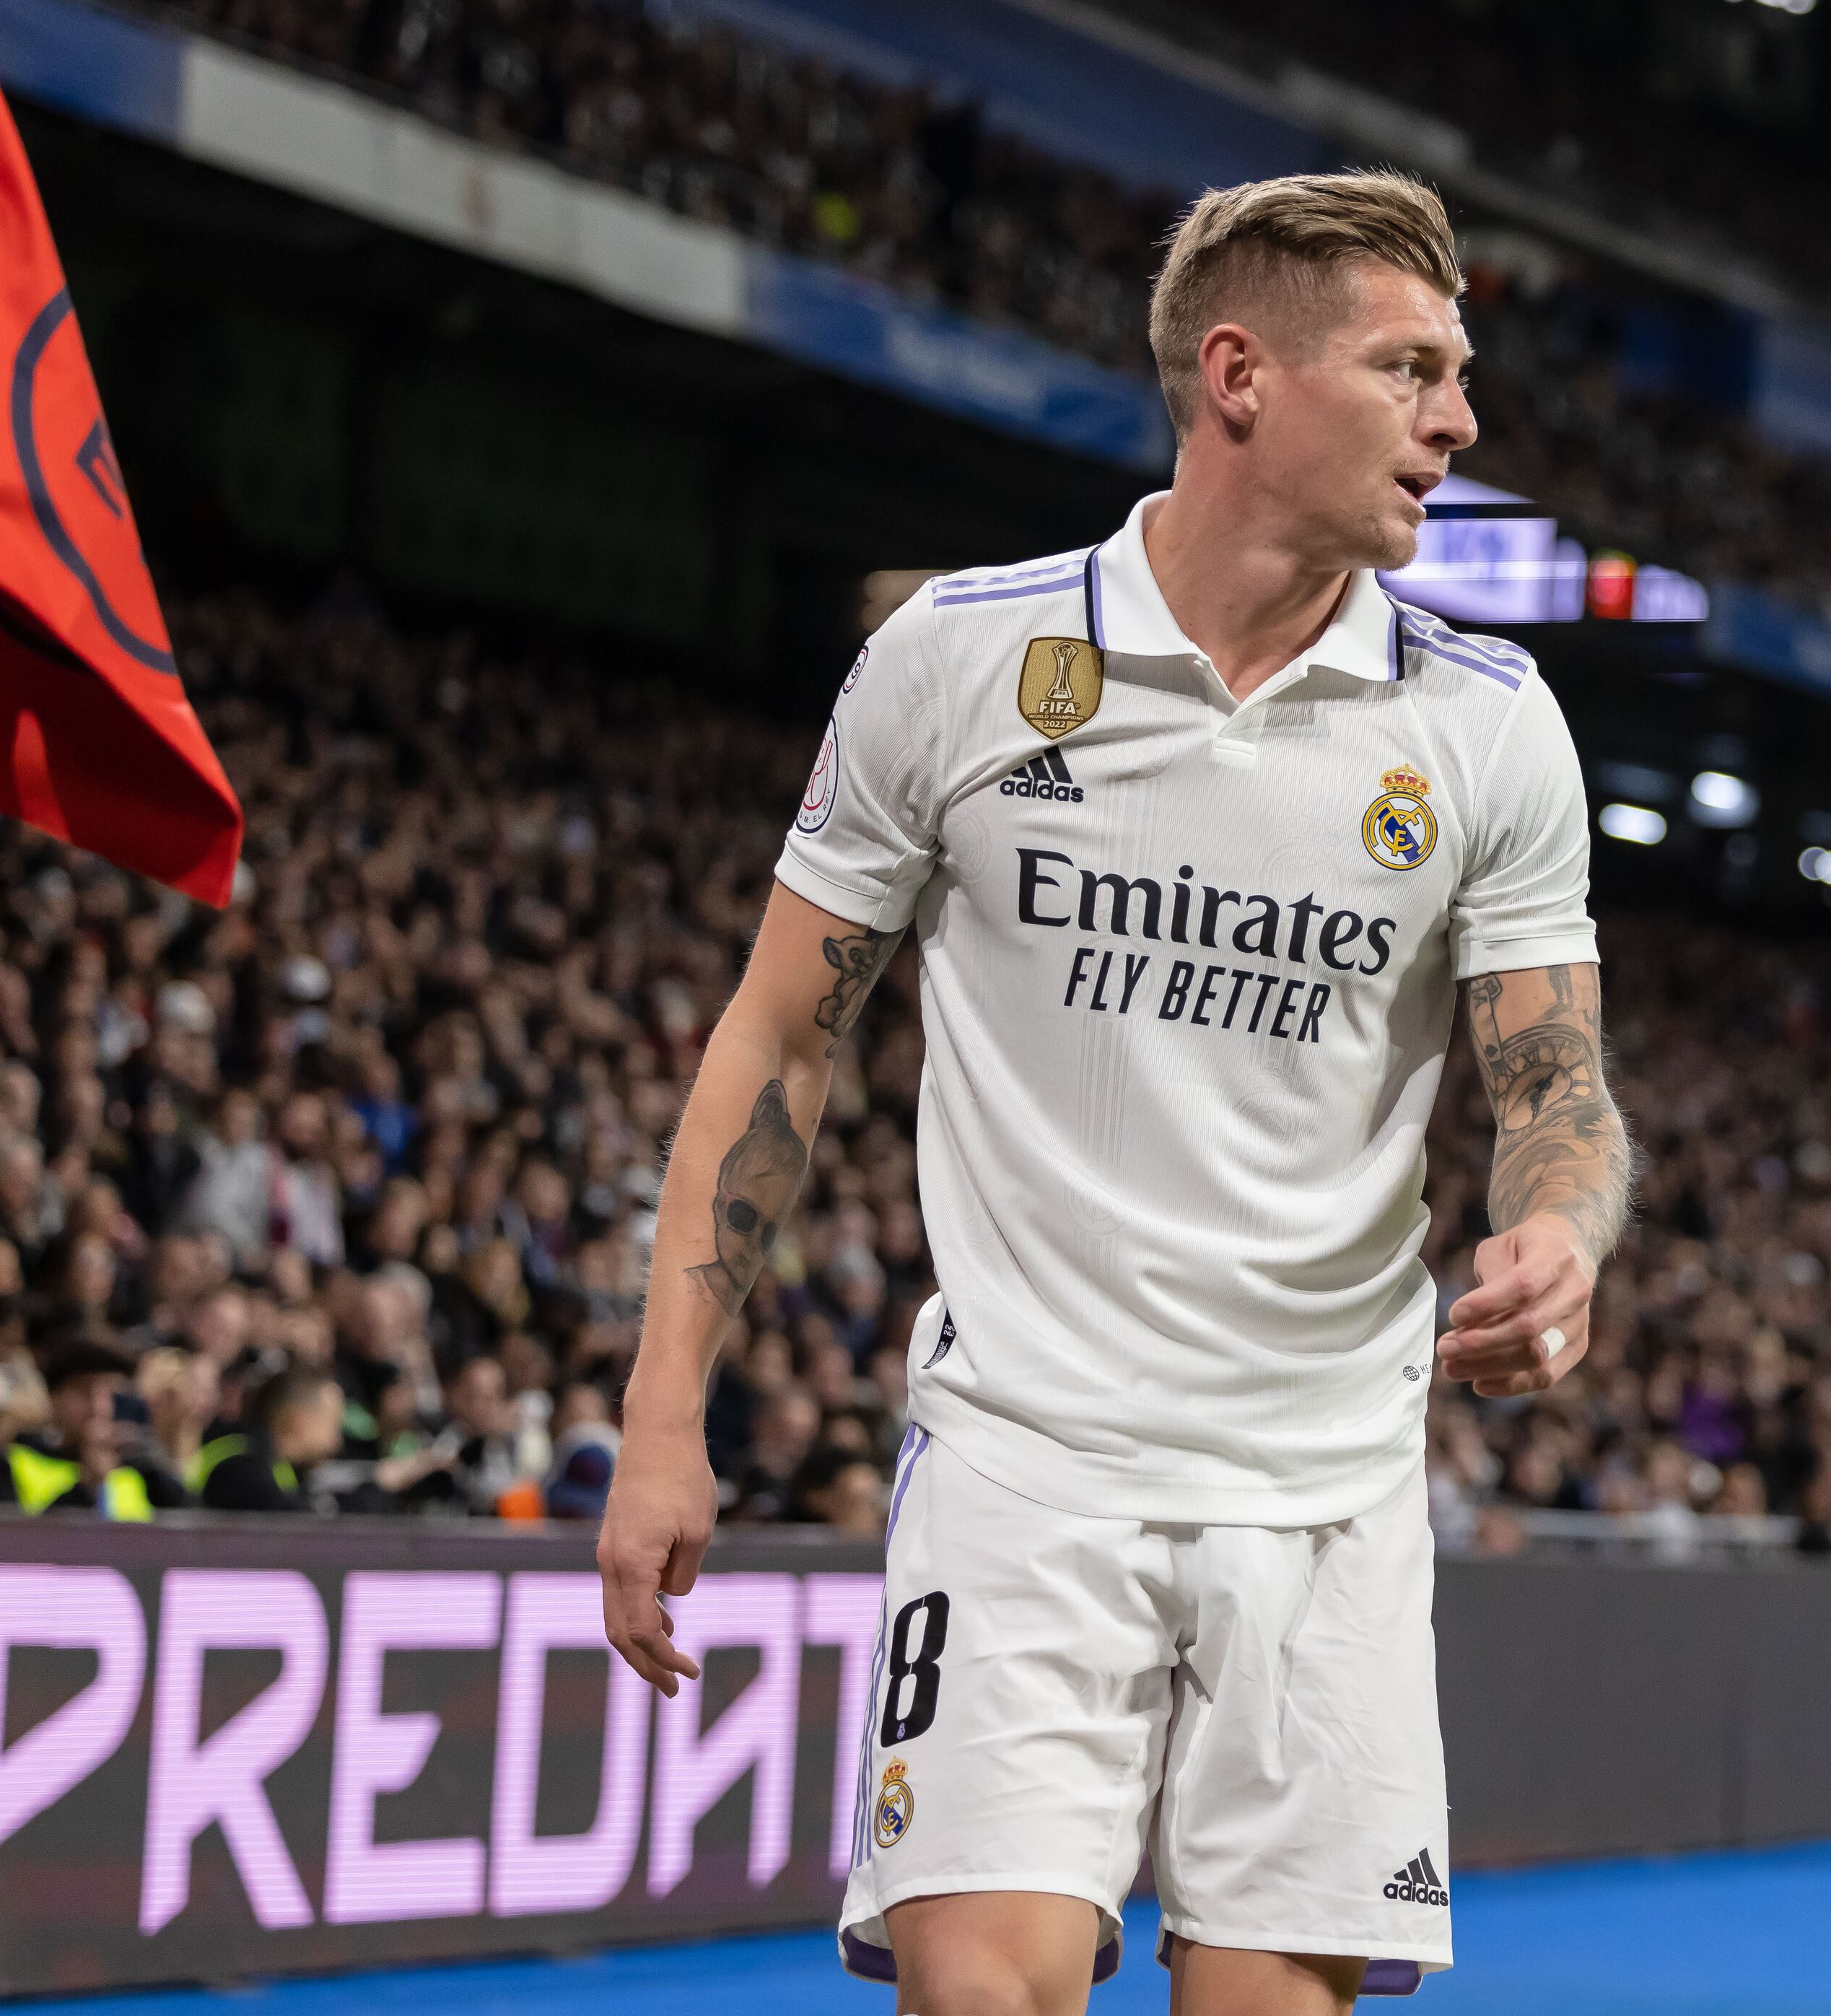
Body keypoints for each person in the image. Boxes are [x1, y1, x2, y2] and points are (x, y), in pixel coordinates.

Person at [598, 172, 1633, 2015]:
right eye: (1412, 370)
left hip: (1321, 1495)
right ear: (1240, 375)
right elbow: (774, 1036)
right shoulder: (958, 659)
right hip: (1025, 1462)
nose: (1460, 422)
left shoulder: (1485, 722)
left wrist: (1558, 1226)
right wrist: (663, 1414)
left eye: (1457, 374)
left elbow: (1554, 1076)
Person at [0, 1339, 184, 1519]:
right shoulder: (6, 1467)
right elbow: (10, 1550)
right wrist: (88, 1484)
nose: (98, 1407)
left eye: (108, 1394)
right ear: (53, 1399)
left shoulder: (138, 1472)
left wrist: (158, 1472)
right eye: (84, 1392)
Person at [193, 1363, 348, 1514]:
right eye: (332, 1424)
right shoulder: (239, 1465)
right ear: (298, 1422)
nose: (337, 1442)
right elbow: (294, 1521)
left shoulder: (279, 1467)